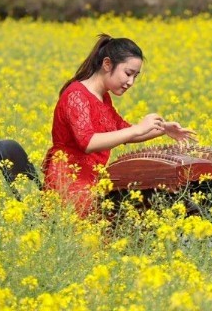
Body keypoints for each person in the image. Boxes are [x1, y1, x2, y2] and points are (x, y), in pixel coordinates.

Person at [42, 35, 195, 215]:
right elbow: (88, 142)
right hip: (70, 181)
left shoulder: (102, 97)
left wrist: (162, 129)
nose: (131, 82)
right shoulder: (76, 95)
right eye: (128, 74)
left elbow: (124, 130)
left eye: (135, 77)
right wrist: (138, 128)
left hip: (94, 178)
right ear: (107, 64)